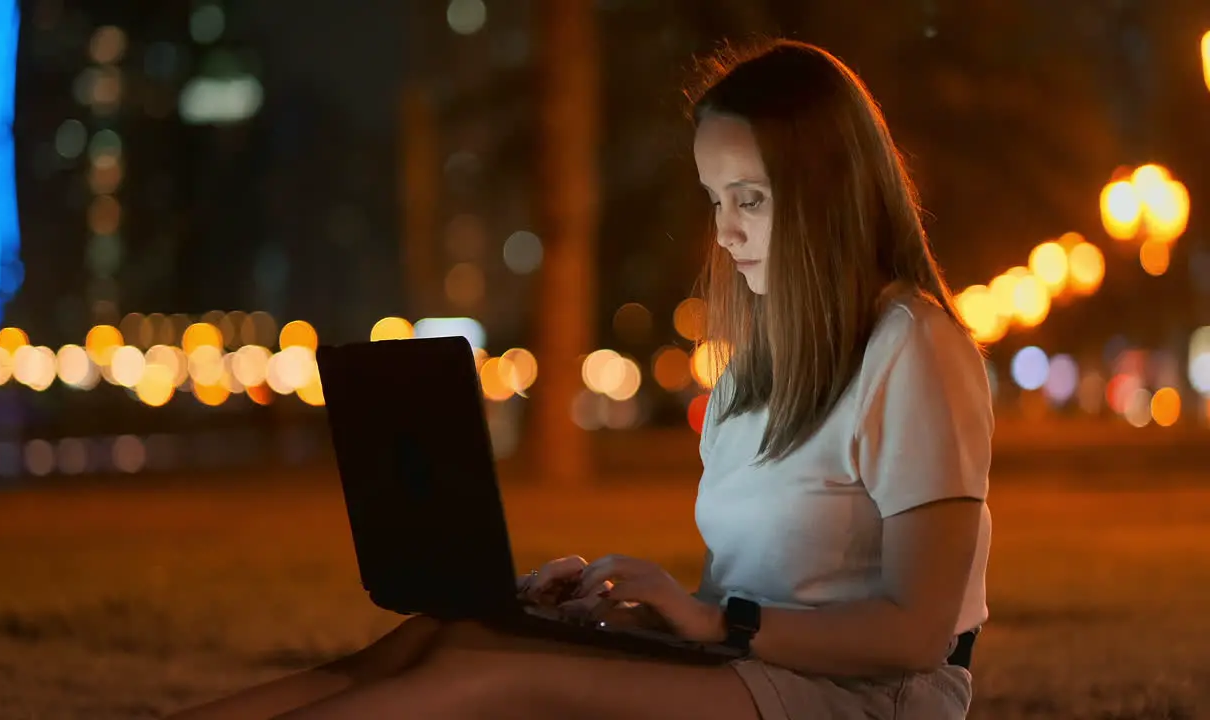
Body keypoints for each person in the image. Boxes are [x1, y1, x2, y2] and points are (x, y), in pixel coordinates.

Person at [173, 38, 992, 720]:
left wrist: (710, 622)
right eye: (714, 199)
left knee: (488, 680)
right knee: (443, 636)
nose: (726, 231)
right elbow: (755, 593)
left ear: (828, 195)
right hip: (755, 667)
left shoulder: (913, 349)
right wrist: (634, 616)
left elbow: (914, 634)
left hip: (869, 699)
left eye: (751, 198)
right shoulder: (757, 367)